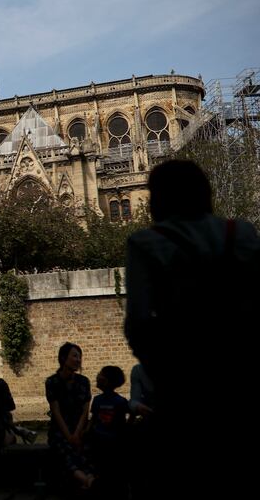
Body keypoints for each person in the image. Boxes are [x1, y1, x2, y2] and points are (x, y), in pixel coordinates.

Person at [124, 160, 260, 497]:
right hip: (241, 377)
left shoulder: (146, 242)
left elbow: (139, 324)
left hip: (182, 380)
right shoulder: (241, 232)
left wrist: (164, 372)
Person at [45, 342, 94, 490]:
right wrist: (69, 436)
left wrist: (78, 433)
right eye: (74, 356)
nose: (78, 360)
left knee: (86, 452)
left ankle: (88, 480)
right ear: (63, 358)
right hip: (60, 431)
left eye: (80, 356)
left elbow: (85, 410)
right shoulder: (52, 382)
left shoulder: (84, 381)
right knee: (65, 451)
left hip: (80, 429)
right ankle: (88, 481)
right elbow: (56, 412)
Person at [87, 366, 129, 492]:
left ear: (106, 380)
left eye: (100, 374)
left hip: (111, 446)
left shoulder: (119, 402)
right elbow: (93, 419)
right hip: (100, 445)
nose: (97, 376)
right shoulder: (100, 400)